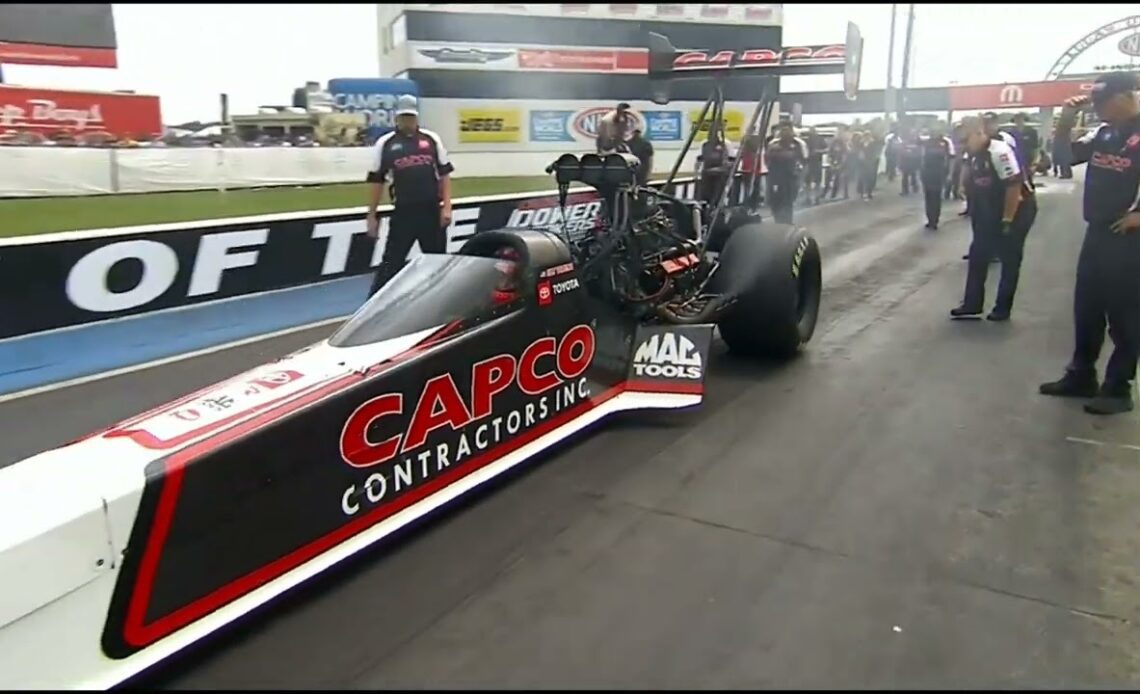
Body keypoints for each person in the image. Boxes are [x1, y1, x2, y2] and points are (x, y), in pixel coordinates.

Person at [1039, 72, 1140, 415]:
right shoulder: (1105, 132)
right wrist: (1066, 121)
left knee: (1125, 316)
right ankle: (1081, 375)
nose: (1099, 109)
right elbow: (1063, 158)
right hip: (1097, 232)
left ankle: (1118, 388)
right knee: (1087, 309)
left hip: (1130, 239)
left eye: (1104, 102)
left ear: (1127, 96)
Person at [364, 95, 454, 296]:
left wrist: (447, 207)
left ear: (417, 117)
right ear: (397, 118)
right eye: (404, 117)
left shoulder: (431, 139)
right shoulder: (385, 144)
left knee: (437, 263)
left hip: (431, 211)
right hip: (403, 212)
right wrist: (372, 215)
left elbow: (445, 174)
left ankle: (438, 304)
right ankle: (374, 304)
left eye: (411, 117)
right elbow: (377, 181)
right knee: (391, 264)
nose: (408, 121)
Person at [950, 115, 1037, 322]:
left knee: (1010, 258)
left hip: (1017, 208)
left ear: (979, 133)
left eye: (965, 141)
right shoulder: (974, 153)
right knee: (978, 253)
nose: (963, 146)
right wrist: (964, 186)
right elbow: (971, 173)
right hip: (990, 207)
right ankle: (972, 304)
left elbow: (1013, 187)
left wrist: (1007, 220)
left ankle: (1002, 308)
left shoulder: (1000, 152)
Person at [764, 121, 807, 223]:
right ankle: (777, 220)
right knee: (774, 201)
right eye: (783, 129)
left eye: (787, 129)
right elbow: (767, 159)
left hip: (791, 178)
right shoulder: (773, 143)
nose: (785, 132)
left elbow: (803, 160)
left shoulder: (799, 144)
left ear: (792, 130)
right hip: (776, 177)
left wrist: (800, 178)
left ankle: (787, 222)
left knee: (788, 202)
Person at [920, 125, 955, 230]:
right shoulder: (926, 142)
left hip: (939, 173)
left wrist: (950, 174)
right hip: (927, 173)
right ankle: (929, 218)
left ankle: (935, 219)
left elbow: (952, 158)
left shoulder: (946, 142)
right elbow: (922, 157)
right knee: (928, 196)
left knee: (936, 196)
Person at [1010, 112, 1040, 187]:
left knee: (1028, 182)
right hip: (1015, 161)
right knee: (1016, 183)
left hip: (1028, 160)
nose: (1019, 121)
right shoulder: (1010, 133)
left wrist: (1034, 163)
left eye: (1021, 119)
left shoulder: (1032, 132)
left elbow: (1035, 148)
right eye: (1017, 119)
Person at [824, 128, 849, 200]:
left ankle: (835, 194)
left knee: (838, 179)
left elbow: (845, 155)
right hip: (833, 162)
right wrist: (830, 162)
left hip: (841, 163)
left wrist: (841, 164)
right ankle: (825, 192)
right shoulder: (833, 143)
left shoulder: (843, 144)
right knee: (828, 178)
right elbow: (829, 153)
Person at [805, 127, 828, 205]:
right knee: (807, 181)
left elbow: (826, 149)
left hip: (817, 162)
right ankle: (808, 198)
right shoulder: (806, 140)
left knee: (817, 181)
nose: (811, 133)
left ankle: (816, 198)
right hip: (808, 162)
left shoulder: (820, 139)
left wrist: (818, 151)